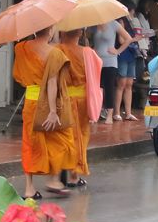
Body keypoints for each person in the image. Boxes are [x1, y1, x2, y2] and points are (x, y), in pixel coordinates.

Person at [13, 27, 77, 199]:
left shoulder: (20, 48)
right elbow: (52, 83)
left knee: (30, 143)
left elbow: (18, 76)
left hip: (30, 102)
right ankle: (53, 179)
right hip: (48, 104)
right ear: (50, 31)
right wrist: (53, 112)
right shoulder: (54, 53)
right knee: (62, 140)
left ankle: (29, 189)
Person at [57, 29, 102, 188]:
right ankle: (74, 175)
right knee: (79, 136)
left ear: (62, 33)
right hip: (81, 100)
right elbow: (98, 69)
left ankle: (60, 172)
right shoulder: (88, 53)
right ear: (81, 34)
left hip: (62, 99)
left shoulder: (57, 50)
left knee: (64, 136)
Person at [90, 19, 134, 124]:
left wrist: (118, 51)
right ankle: (95, 113)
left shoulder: (114, 24)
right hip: (96, 61)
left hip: (110, 61)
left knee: (109, 87)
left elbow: (128, 38)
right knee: (97, 88)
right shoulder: (93, 25)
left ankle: (109, 115)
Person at [114, 0, 143, 122]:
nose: (132, 14)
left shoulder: (132, 23)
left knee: (129, 84)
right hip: (123, 54)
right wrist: (133, 39)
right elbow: (121, 40)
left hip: (131, 55)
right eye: (132, 12)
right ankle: (116, 112)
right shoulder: (121, 21)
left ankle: (128, 112)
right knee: (121, 83)